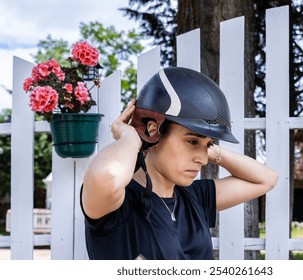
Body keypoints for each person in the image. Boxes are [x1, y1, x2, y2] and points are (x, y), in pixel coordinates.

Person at [81, 67, 278, 260]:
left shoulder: (195, 196)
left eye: (207, 145)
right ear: (152, 131)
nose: (202, 159)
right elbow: (108, 175)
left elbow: (266, 179)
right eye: (192, 141)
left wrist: (210, 149)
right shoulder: (118, 204)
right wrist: (131, 137)